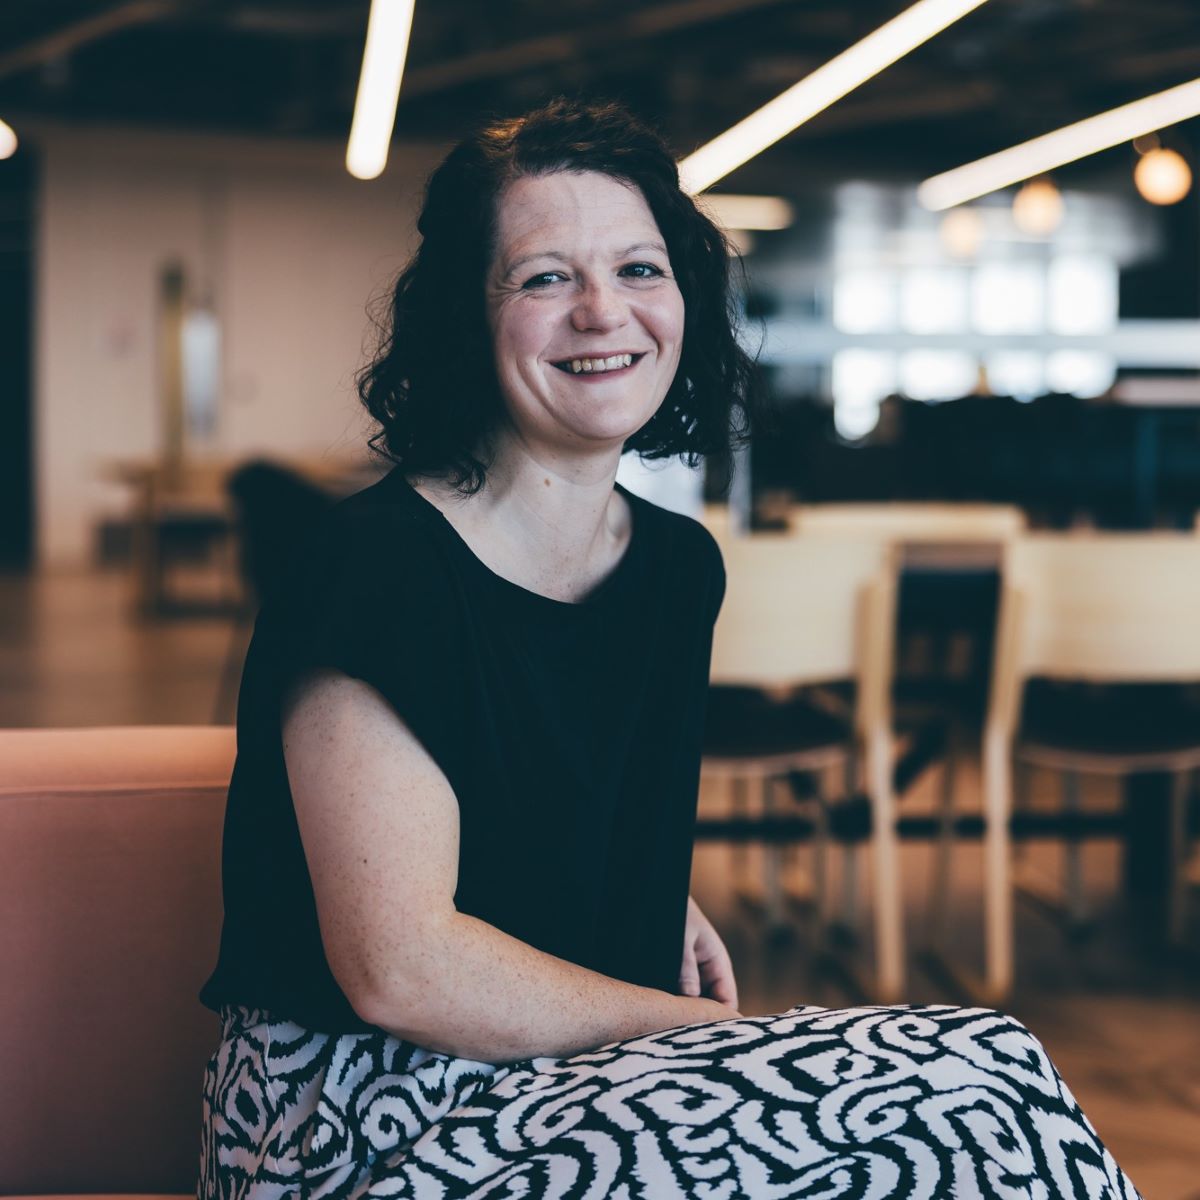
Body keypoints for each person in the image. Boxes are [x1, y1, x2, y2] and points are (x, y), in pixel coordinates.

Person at [197, 99, 1139, 1199]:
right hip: (362, 1114)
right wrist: (703, 1034)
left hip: (567, 1075)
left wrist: (645, 901)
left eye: (640, 269)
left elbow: (543, 783)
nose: (605, 313)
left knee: (997, 1063)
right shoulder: (372, 566)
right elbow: (400, 968)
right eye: (545, 278)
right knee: (960, 1109)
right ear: (466, 313)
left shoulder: (675, 569)